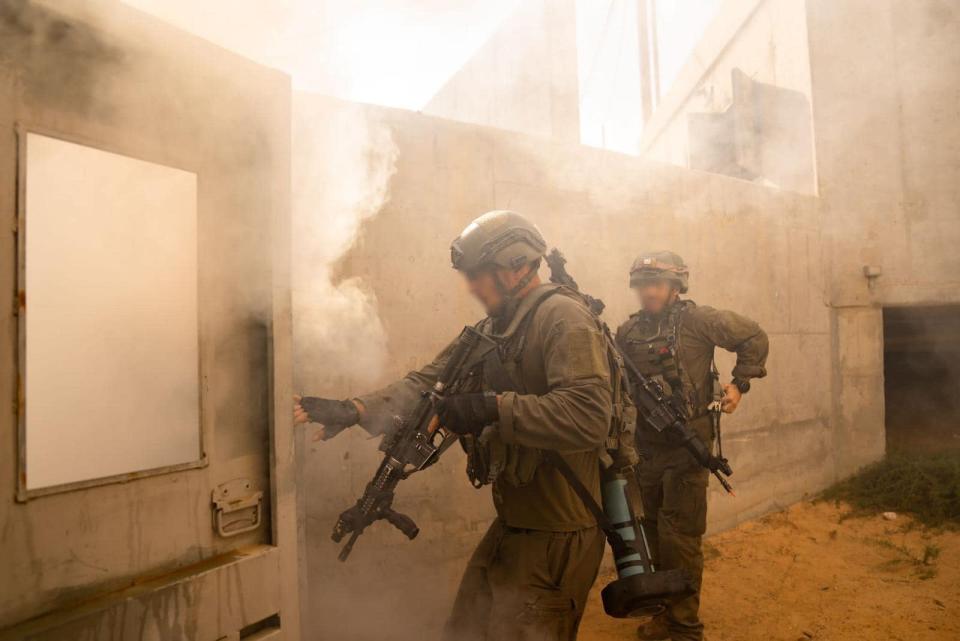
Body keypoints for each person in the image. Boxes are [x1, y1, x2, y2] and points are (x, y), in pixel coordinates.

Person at [295, 210, 618, 641]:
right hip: (514, 523)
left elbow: (589, 416)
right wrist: (354, 410)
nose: (471, 287)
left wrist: (491, 407)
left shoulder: (562, 317)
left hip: (557, 534)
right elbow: (428, 383)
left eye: (479, 275)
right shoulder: (495, 328)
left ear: (518, 265)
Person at [615, 251, 768, 641]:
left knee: (679, 538)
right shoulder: (627, 332)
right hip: (644, 449)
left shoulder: (699, 320)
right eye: (642, 284)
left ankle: (685, 628)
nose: (648, 291)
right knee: (650, 532)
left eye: (657, 283)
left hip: (688, 446)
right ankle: (667, 614)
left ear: (676, 285)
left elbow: (753, 336)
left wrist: (739, 385)